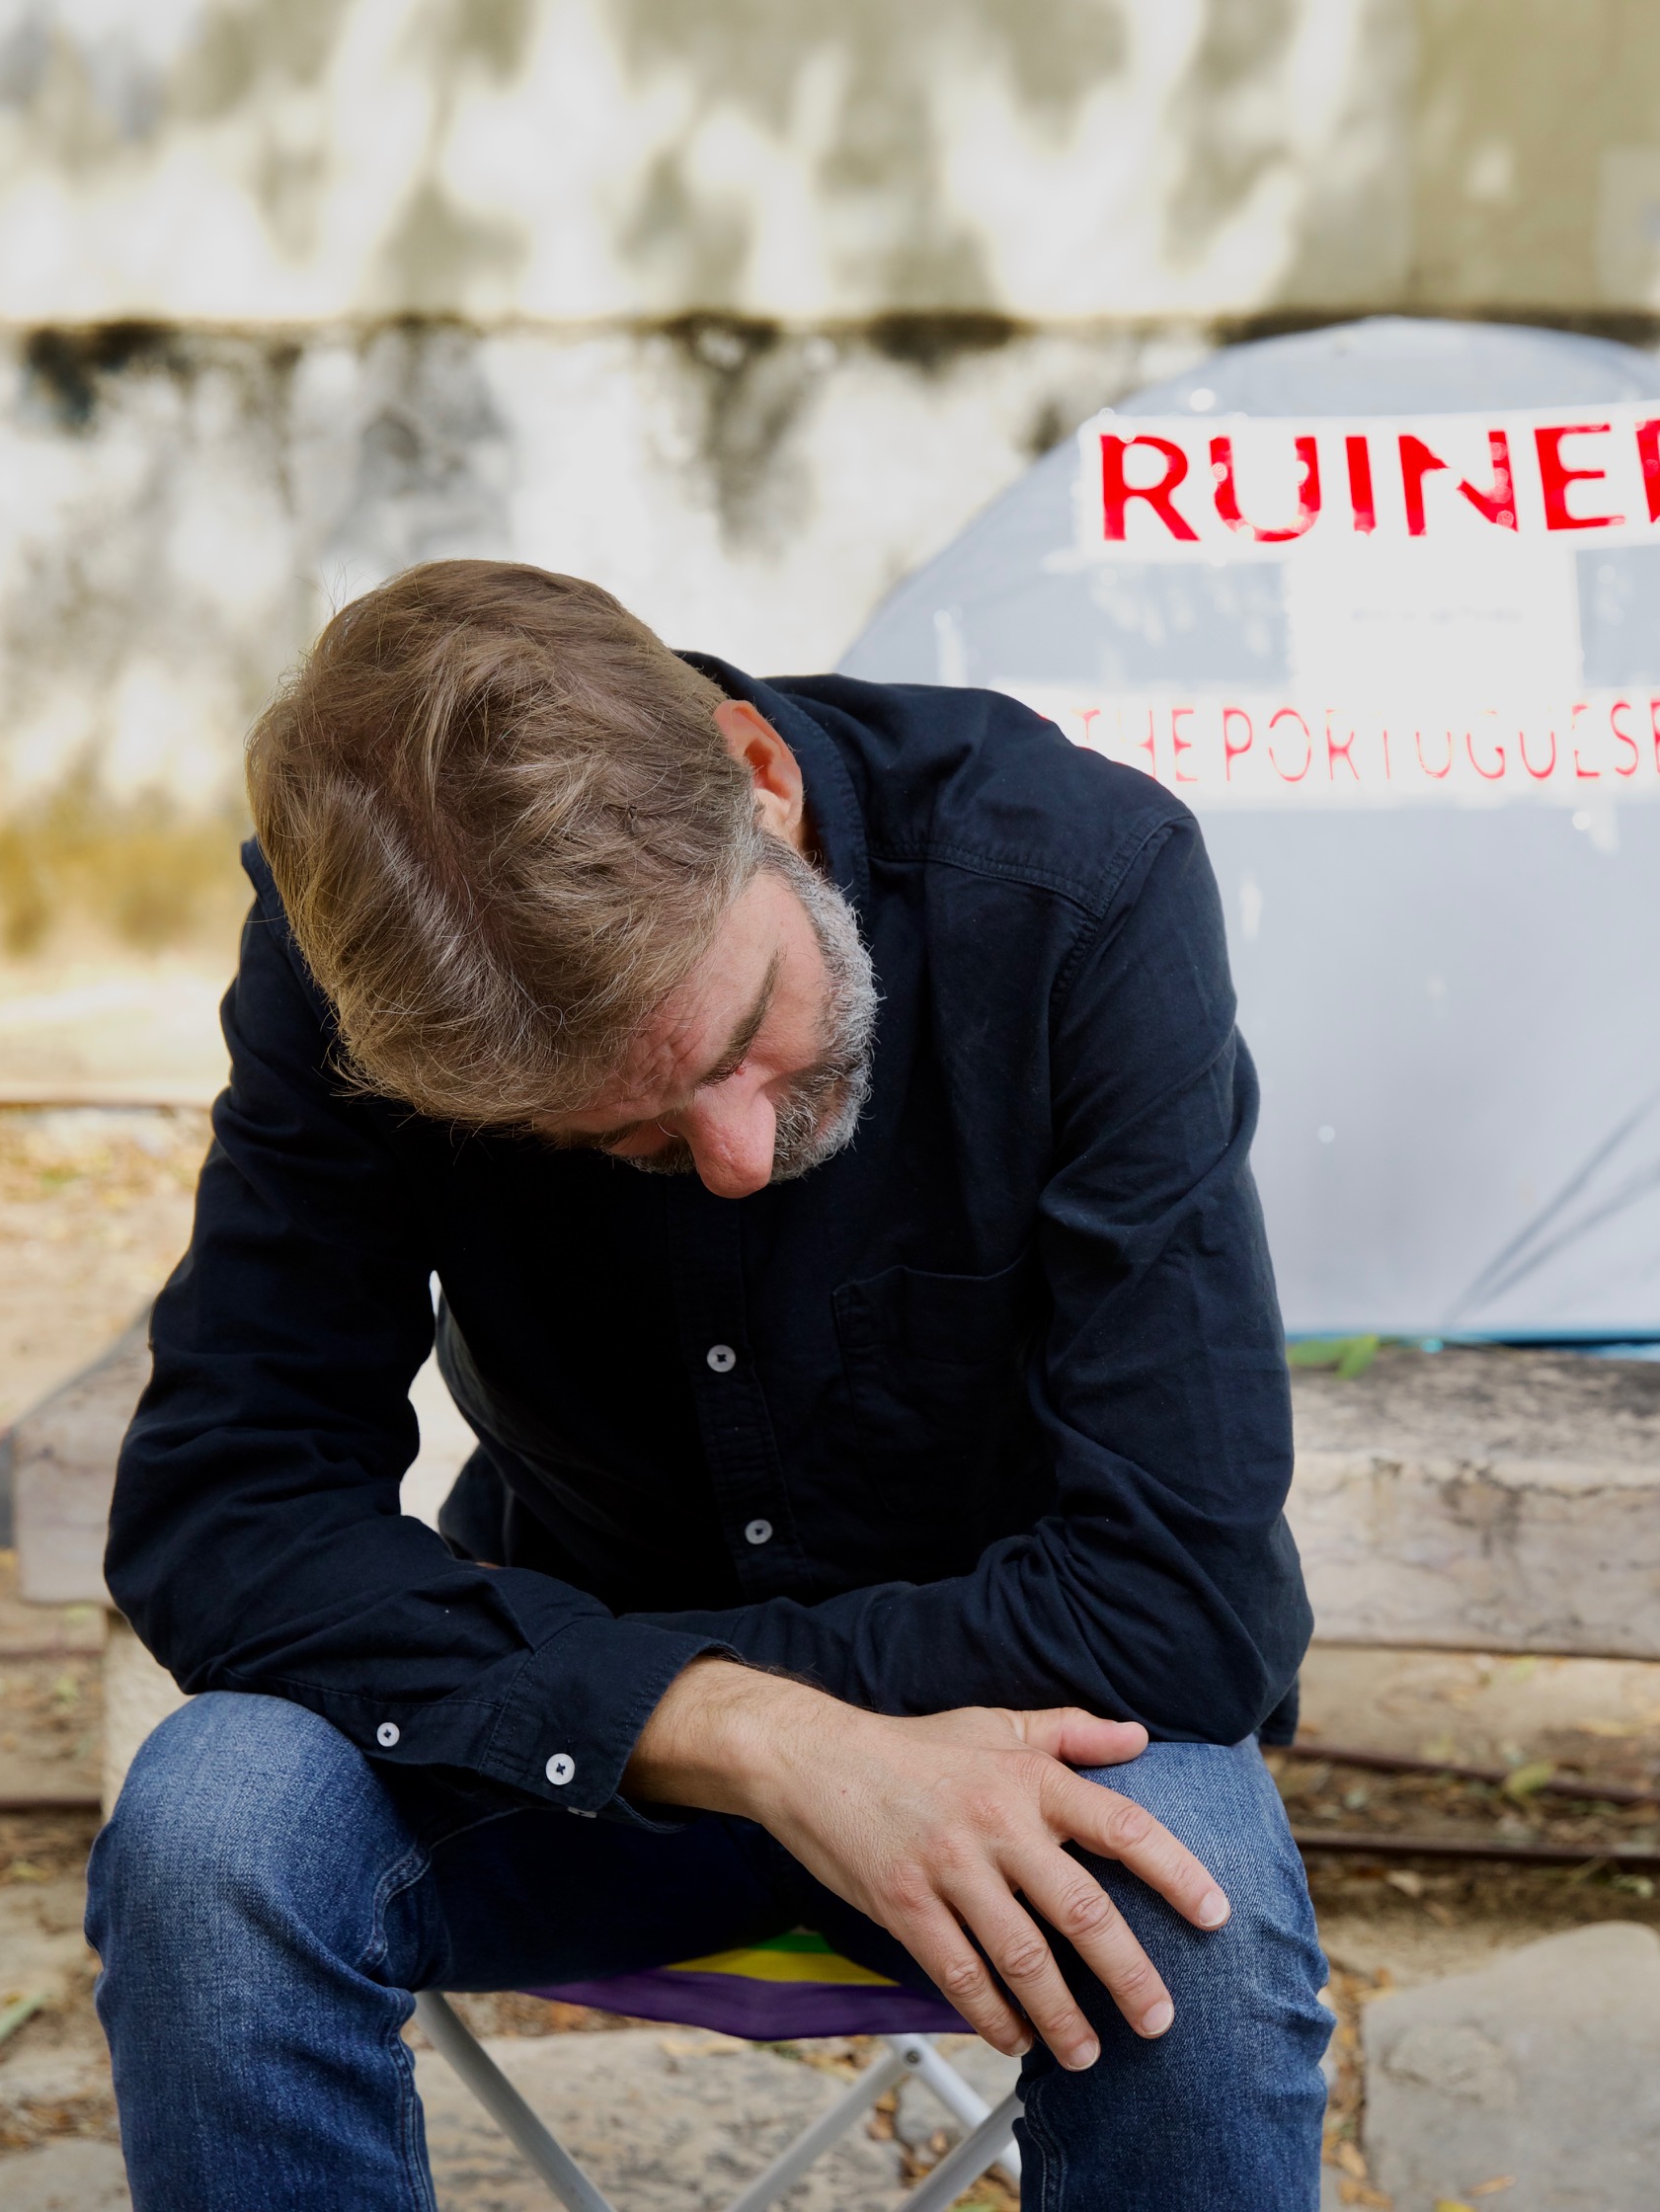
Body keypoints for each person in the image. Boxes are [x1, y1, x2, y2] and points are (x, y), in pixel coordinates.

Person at [86, 559, 1329, 2208]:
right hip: (574, 1763)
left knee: (1197, 1903)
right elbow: (221, 1512)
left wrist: (685, 1696)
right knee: (211, 1830)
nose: (738, 1159)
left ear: (760, 778)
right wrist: (740, 1735)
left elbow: (1186, 1609)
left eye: (746, 1030)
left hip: (1032, 1727)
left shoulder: (1073, 882)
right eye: (621, 1142)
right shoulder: (364, 956)